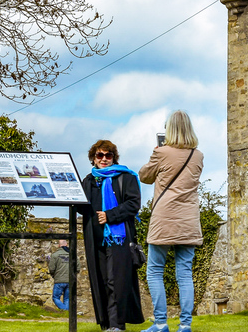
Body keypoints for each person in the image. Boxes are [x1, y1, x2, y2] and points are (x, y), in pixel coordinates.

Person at [140, 110, 204, 332]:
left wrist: (156, 154)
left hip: (164, 219)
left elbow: (144, 176)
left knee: (155, 270)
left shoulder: (162, 153)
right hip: (188, 220)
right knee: (184, 273)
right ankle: (185, 325)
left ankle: (160, 323)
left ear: (169, 129)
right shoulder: (198, 155)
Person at [80, 140, 145, 332]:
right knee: (100, 280)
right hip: (95, 238)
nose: (104, 159)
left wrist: (110, 215)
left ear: (113, 158)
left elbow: (133, 204)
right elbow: (83, 209)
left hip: (119, 238)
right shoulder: (89, 180)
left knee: (115, 280)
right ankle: (106, 324)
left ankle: (117, 325)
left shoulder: (126, 177)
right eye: (100, 155)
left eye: (108, 155)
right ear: (93, 158)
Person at [48, 239, 79, 311]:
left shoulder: (55, 255)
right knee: (67, 298)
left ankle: (65, 310)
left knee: (55, 297)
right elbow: (77, 268)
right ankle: (67, 313)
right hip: (70, 280)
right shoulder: (73, 254)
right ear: (66, 244)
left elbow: (51, 269)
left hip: (59, 280)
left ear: (59, 245)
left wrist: (54, 275)